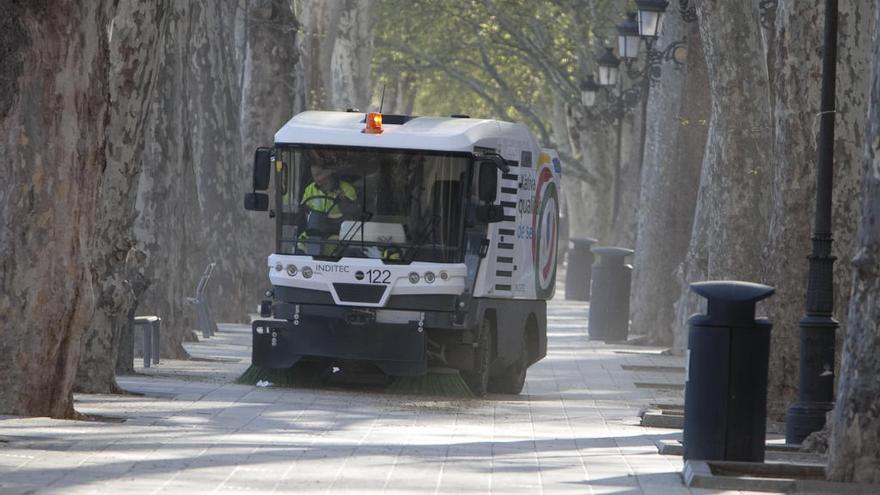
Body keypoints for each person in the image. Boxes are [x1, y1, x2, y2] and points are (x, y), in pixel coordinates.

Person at [296, 161, 359, 255]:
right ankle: (312, 257)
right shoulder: (310, 189)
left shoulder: (347, 189)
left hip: (341, 229)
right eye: (314, 176)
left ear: (329, 172)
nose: (316, 179)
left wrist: (342, 199)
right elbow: (304, 211)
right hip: (316, 230)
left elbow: (354, 214)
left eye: (319, 175)